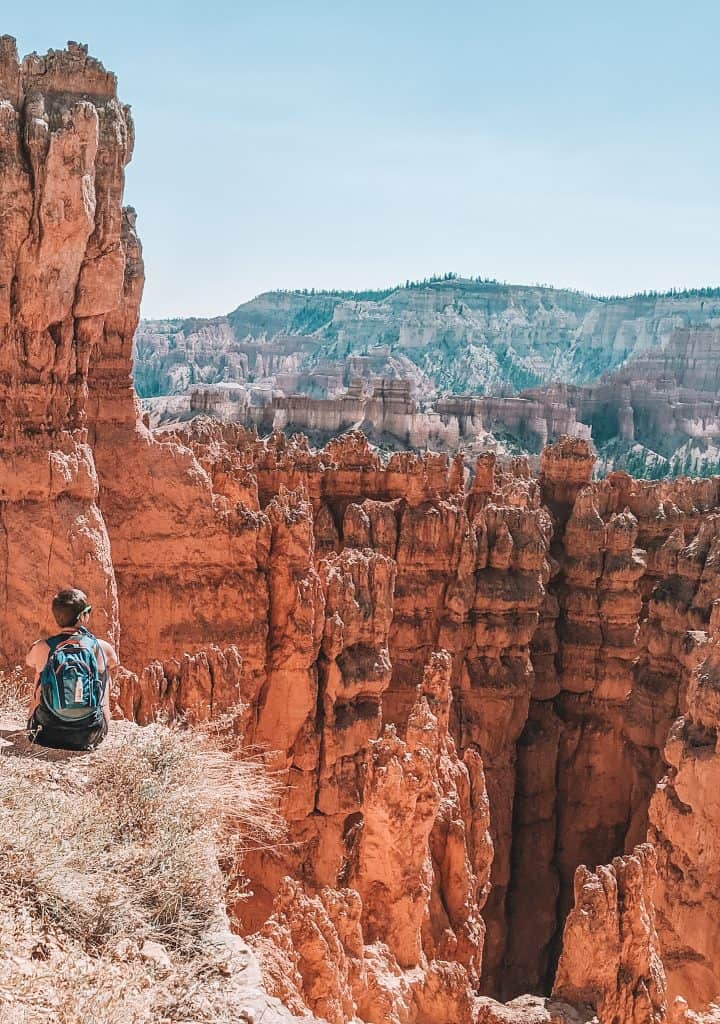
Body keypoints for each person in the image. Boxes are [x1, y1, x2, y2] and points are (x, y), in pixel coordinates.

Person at [25, 588, 118, 751]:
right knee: (103, 672)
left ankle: (33, 720)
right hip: (90, 736)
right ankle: (103, 717)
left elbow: (29, 661)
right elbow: (114, 663)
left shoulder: (43, 647)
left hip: (44, 734)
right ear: (82, 616)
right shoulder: (101, 647)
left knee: (41, 670)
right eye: (88, 611)